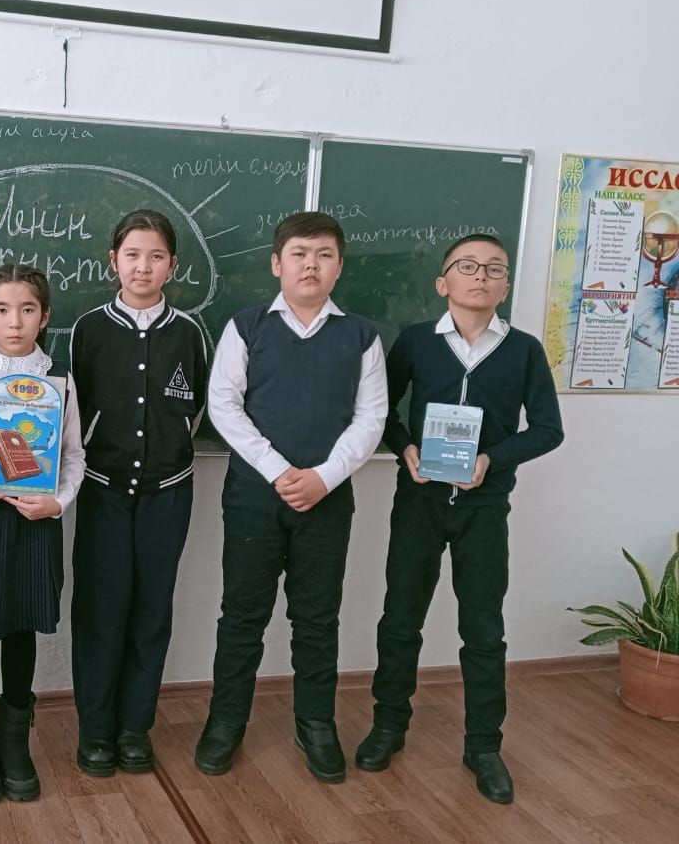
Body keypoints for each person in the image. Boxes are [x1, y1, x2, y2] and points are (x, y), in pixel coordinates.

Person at [355, 233, 563, 805]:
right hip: (419, 504)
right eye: (467, 266)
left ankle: (483, 746)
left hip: (484, 508)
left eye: (494, 268)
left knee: (484, 629)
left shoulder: (523, 350)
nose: (481, 276)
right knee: (401, 619)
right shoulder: (417, 341)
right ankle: (388, 725)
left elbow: (549, 429)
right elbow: (379, 411)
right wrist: (404, 448)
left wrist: (492, 459)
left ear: (505, 285)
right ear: (442, 282)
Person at [195, 212, 387, 783]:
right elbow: (223, 406)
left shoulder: (362, 336)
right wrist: (281, 471)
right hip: (254, 497)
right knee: (242, 615)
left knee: (318, 617)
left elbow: (371, 418)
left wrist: (324, 477)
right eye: (300, 254)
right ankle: (226, 722)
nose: (311, 265)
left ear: (339, 266)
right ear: (277, 263)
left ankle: (316, 724)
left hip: (328, 499)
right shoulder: (247, 327)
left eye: (324, 255)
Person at [68, 210, 208, 776]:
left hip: (167, 494)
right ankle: (96, 729)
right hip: (103, 491)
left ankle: (134, 728)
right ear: (114, 261)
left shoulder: (190, 332)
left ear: (172, 264)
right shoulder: (89, 329)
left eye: (155, 256)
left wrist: (167, 450)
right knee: (101, 610)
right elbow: (73, 412)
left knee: (152, 610)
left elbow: (196, 408)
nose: (143, 267)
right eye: (132, 255)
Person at [0, 264, 86, 803]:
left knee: (22, 626)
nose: (15, 321)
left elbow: (73, 455)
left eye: (27, 310)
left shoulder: (60, 379)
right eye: (2, 310)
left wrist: (58, 502)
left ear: (44, 317)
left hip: (33, 523)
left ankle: (14, 739)